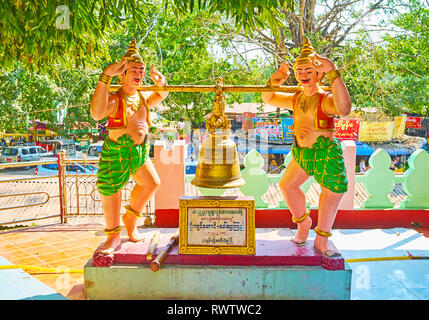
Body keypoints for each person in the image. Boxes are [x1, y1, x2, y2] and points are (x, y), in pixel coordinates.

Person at [261, 37, 352, 257]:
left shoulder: (325, 98)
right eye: (299, 70)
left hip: (325, 152)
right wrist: (275, 80)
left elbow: (344, 109)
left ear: (319, 73)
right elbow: (269, 97)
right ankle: (303, 222)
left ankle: (322, 239)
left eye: (308, 70)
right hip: (302, 153)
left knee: (330, 193)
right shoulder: (295, 98)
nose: (303, 74)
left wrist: (333, 71)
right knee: (287, 186)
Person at [90, 39, 168, 255]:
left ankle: (131, 218)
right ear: (122, 73)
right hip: (117, 151)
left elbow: (161, 95)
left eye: (141, 70)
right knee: (112, 192)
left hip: (139, 152)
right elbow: (96, 113)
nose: (139, 74)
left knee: (151, 183)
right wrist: (106, 76)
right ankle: (113, 236)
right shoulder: (116, 99)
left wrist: (160, 82)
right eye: (133, 69)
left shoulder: (142, 97)